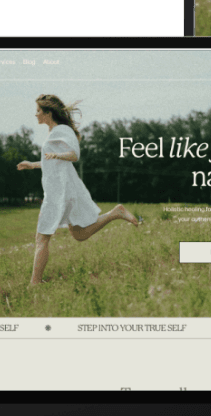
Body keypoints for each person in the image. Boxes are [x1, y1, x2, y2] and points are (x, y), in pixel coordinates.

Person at [16, 95, 141, 285]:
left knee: (41, 238)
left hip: (59, 194)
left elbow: (74, 154)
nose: (36, 114)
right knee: (80, 235)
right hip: (63, 191)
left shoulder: (62, 130)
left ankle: (34, 284)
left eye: (38, 111)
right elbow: (52, 162)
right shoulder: (54, 131)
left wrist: (57, 154)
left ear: (48, 113)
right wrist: (32, 165)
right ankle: (115, 213)